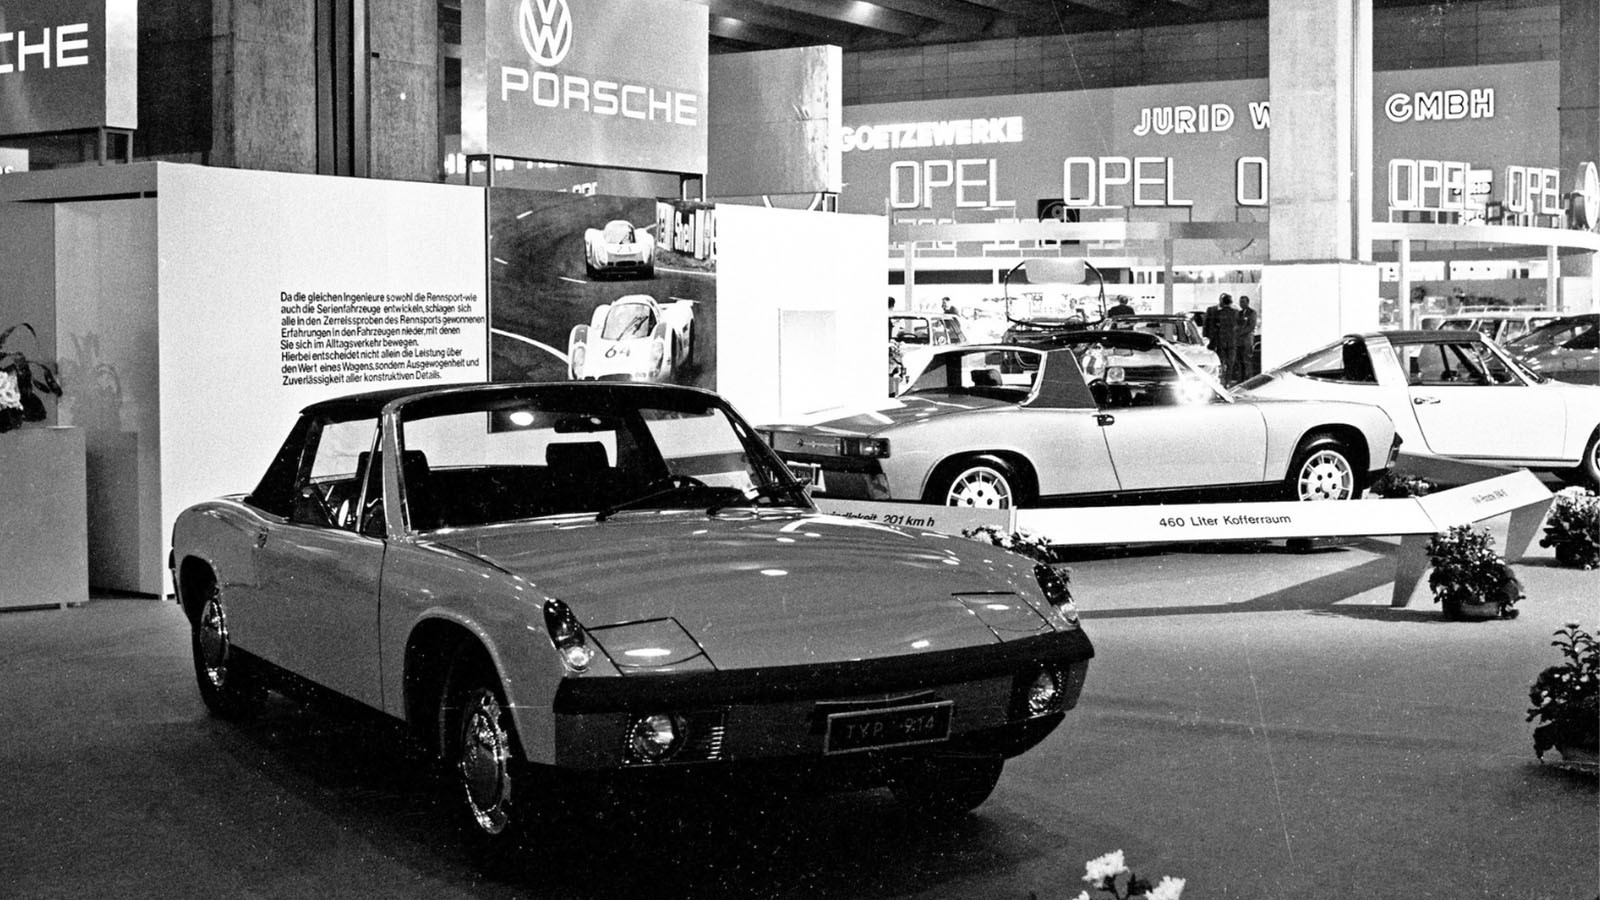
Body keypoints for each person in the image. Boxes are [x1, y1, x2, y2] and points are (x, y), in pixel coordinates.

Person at [1204, 293, 1239, 384]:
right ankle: (1228, 381)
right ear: (1231, 302)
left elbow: (1213, 329)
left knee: (1221, 362)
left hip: (1221, 341)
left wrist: (1212, 343)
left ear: (1222, 302)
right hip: (1232, 341)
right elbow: (1239, 327)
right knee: (1230, 363)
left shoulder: (1218, 313)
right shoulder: (1236, 313)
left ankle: (1222, 381)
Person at [1234, 295, 1257, 381]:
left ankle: (1249, 379)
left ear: (1248, 302)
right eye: (1240, 302)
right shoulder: (1239, 313)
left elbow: (1251, 326)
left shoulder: (1252, 312)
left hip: (1247, 340)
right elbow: (1236, 325)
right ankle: (1240, 379)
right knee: (1239, 361)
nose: (1241, 304)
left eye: (1243, 302)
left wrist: (1240, 333)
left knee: (1247, 360)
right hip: (1238, 341)